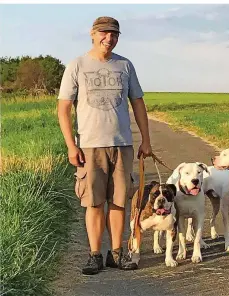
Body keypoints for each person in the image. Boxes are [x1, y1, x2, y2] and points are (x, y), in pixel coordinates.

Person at [57, 16, 152, 275]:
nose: (108, 38)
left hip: (122, 145)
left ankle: (117, 254)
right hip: (90, 146)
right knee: (94, 203)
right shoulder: (77, 65)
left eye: (114, 34)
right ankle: (95, 255)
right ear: (92, 34)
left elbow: (138, 103)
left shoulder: (125, 65)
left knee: (119, 202)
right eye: (104, 33)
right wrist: (70, 145)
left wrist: (146, 140)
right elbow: (64, 108)